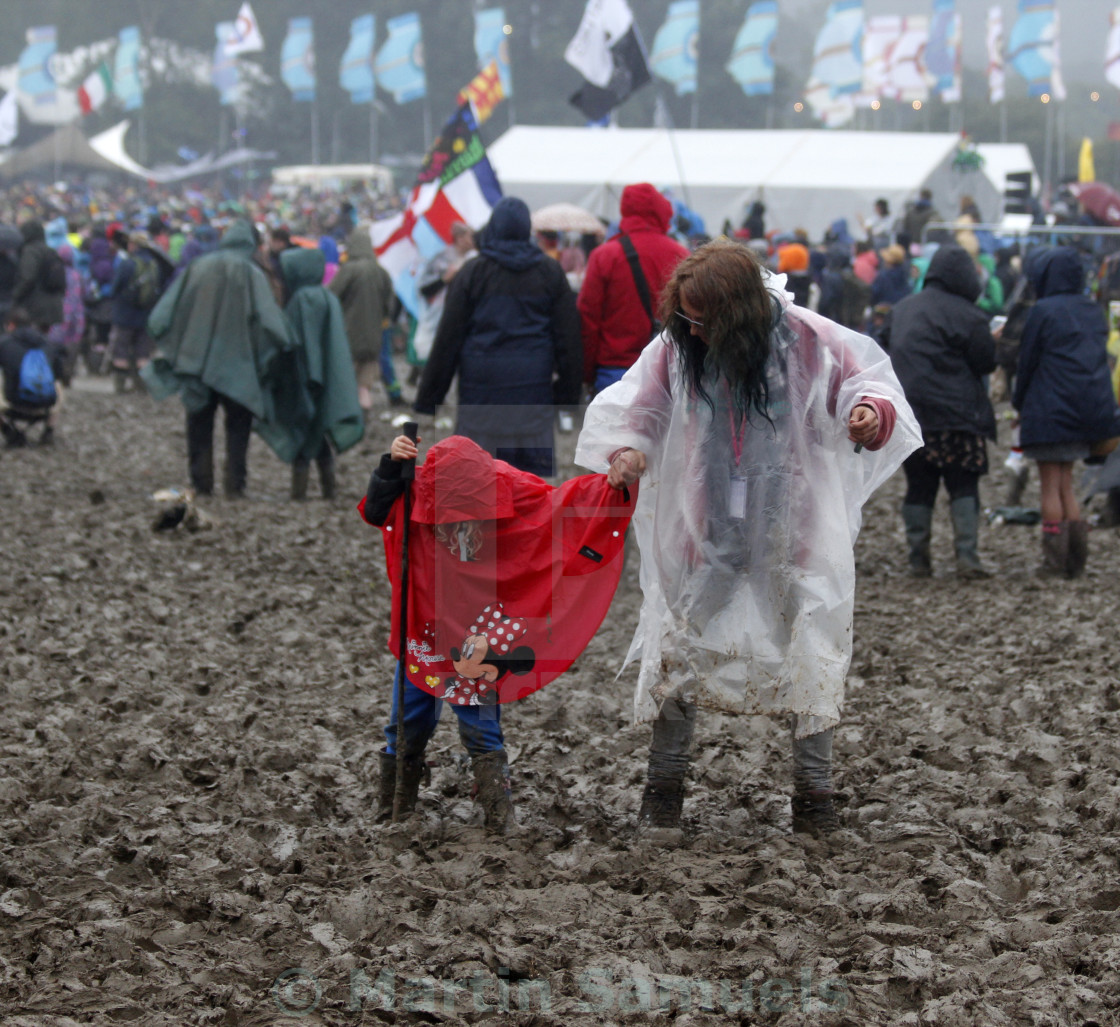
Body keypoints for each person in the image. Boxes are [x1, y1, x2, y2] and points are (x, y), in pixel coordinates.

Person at [575, 238, 920, 837]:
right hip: (704, 523)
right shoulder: (679, 348)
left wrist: (869, 413)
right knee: (680, 640)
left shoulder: (811, 340)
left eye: (706, 321)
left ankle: (815, 801)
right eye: (686, 319)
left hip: (794, 526)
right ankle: (663, 794)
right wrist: (629, 452)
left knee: (813, 638)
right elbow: (640, 410)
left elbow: (869, 385)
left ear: (739, 312)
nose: (695, 331)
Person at [414, 197, 582, 477]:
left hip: (481, 394)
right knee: (529, 485)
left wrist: (430, 397)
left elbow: (448, 339)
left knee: (478, 479)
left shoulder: (472, 273)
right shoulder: (550, 272)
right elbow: (569, 339)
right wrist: (567, 393)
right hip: (533, 392)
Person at [141, 219, 291, 498]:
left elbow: (161, 316)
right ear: (250, 245)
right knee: (238, 426)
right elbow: (271, 323)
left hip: (196, 361)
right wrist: (277, 350)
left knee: (198, 423)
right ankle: (235, 484)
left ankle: (201, 482)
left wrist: (178, 347)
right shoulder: (252, 273)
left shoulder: (198, 267)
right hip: (239, 366)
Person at [880, 243, 997, 578]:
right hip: (960, 418)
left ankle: (919, 560)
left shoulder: (902, 310)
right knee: (963, 485)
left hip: (913, 418)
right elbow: (986, 362)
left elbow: (883, 348)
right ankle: (967, 558)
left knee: (919, 486)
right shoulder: (971, 315)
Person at [1013, 246, 1120, 577]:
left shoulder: (1043, 311)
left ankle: (1053, 562)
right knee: (1068, 485)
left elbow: (1026, 362)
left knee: (1049, 486)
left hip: (1048, 410)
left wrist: (1019, 402)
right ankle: (1077, 561)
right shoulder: (1091, 309)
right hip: (1083, 412)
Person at [262, 246, 364, 500]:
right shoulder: (326, 296)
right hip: (327, 376)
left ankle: (300, 492)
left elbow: (302, 344)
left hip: (307, 376)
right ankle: (328, 490)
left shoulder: (302, 300)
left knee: (306, 431)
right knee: (318, 433)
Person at [578, 183, 688, 394]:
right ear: (661, 210)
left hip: (614, 372)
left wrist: (587, 373)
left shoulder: (604, 256)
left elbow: (588, 319)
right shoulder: (680, 255)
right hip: (666, 373)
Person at [328, 225, 399, 412]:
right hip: (374, 336)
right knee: (364, 383)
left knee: (347, 377)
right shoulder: (381, 272)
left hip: (348, 335)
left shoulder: (348, 269)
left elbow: (331, 295)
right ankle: (364, 409)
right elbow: (389, 305)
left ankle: (349, 416)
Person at [0, 306, 62, 447]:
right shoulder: (47, 343)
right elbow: (60, 373)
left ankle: (8, 431)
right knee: (57, 386)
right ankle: (48, 431)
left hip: (13, 402)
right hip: (46, 404)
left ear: (10, 325)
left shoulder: (4, 343)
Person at [106, 230, 159, 392]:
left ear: (134, 245)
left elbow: (115, 287)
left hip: (125, 315)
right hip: (146, 315)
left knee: (121, 350)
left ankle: (120, 387)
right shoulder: (154, 265)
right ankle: (142, 386)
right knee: (143, 353)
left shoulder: (128, 263)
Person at [12, 220, 64, 333]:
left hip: (35, 306)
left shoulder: (30, 251)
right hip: (53, 304)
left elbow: (28, 277)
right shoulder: (50, 251)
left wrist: (15, 296)